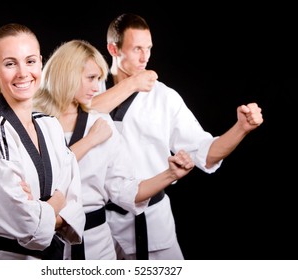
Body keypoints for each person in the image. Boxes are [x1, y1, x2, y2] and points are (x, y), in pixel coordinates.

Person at [91, 13, 264, 260]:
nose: (145, 57)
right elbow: (75, 116)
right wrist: (132, 84)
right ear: (113, 49)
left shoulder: (165, 98)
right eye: (137, 48)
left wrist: (241, 128)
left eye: (148, 48)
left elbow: (205, 153)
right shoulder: (91, 89)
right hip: (98, 228)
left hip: (149, 223)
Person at [32, 39, 195, 260]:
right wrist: (90, 140)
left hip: (97, 245)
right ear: (66, 75)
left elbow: (124, 190)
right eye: (91, 78)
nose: (96, 87)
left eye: (99, 79)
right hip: (42, 246)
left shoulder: (101, 123)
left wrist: (170, 174)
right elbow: (37, 179)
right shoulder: (34, 122)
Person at [0, 23, 85, 260]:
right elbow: (27, 224)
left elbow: (75, 195)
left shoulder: (50, 125)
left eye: (30, 61)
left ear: (41, 63)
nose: (23, 73)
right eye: (10, 63)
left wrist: (39, 205)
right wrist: (56, 202)